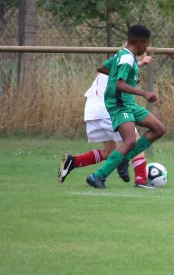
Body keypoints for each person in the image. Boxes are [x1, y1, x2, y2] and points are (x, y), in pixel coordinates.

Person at [86, 24, 166, 189]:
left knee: (158, 129)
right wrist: (144, 93)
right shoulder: (126, 58)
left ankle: (125, 158)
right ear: (139, 43)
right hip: (119, 104)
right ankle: (97, 176)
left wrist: (124, 77)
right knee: (129, 141)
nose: (146, 48)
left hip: (128, 102)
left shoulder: (122, 55)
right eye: (146, 44)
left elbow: (102, 68)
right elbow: (119, 84)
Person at [57, 54, 153, 184]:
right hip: (108, 109)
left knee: (110, 152)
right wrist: (141, 63)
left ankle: (73, 161)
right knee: (133, 142)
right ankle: (141, 180)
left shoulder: (116, 64)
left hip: (93, 110)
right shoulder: (124, 62)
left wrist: (141, 64)